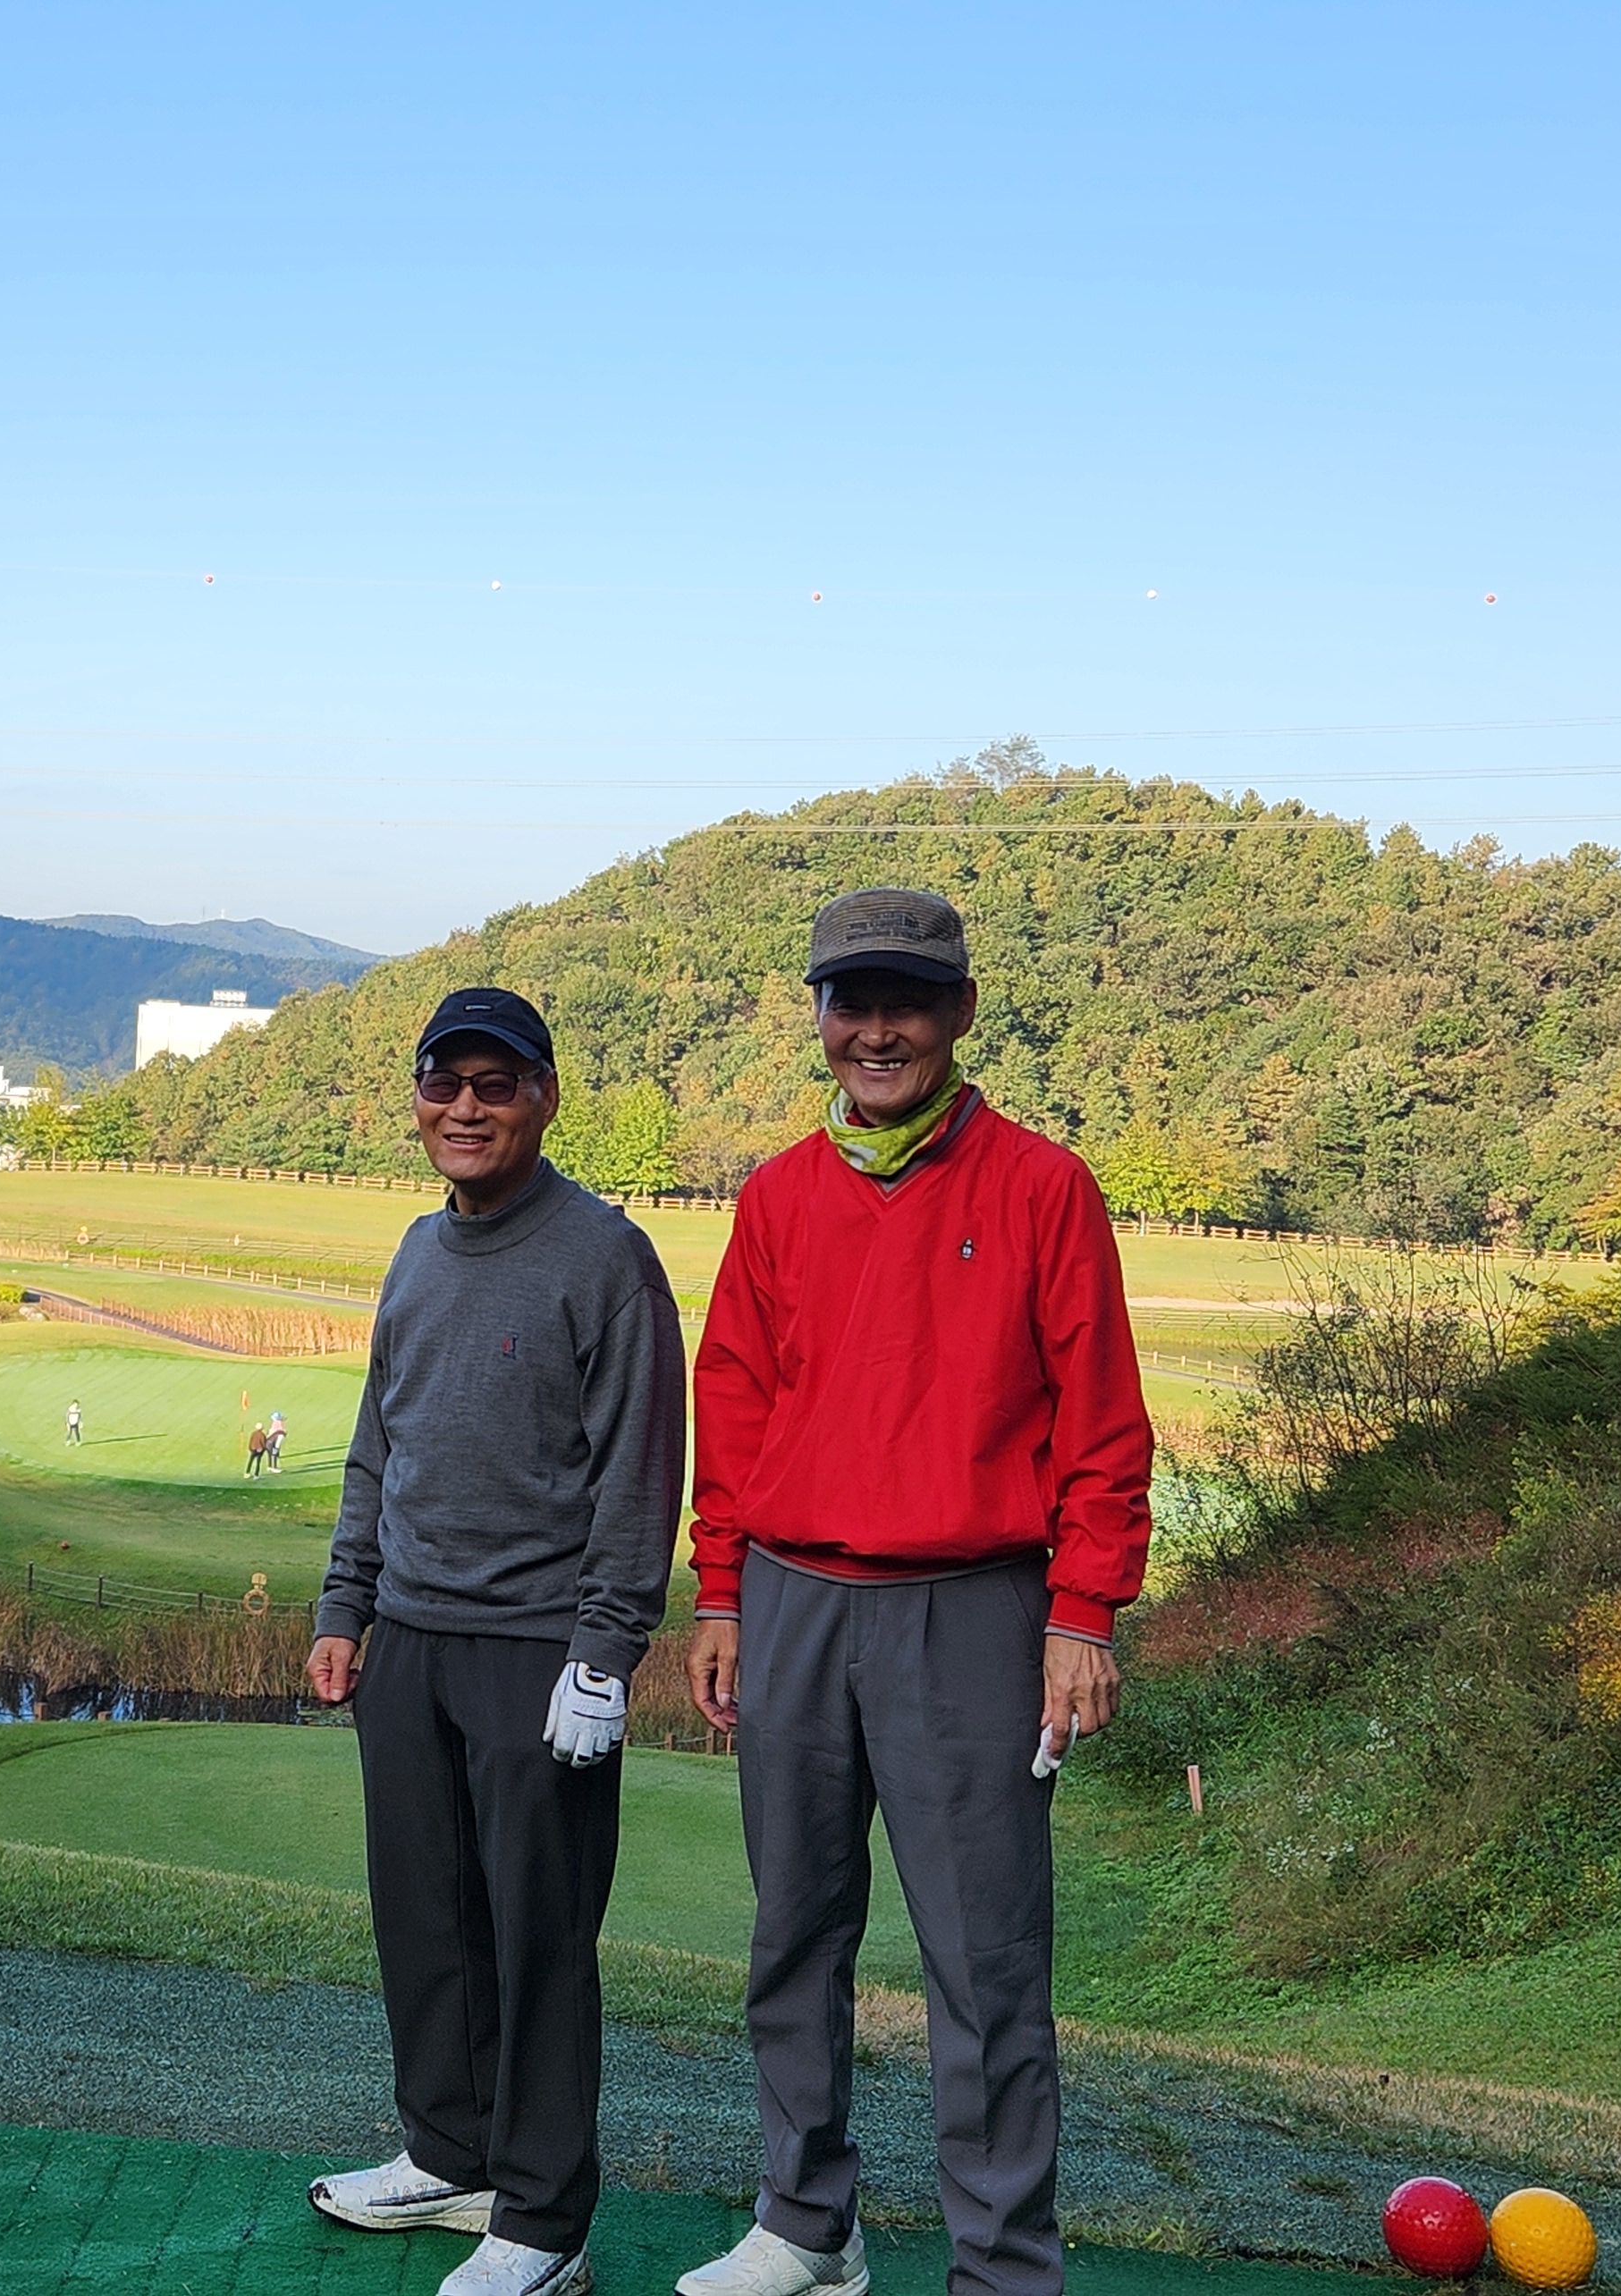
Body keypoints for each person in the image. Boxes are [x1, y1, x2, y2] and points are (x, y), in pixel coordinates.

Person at [677, 889, 1154, 2296]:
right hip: (792, 1600)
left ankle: (1000, 2268)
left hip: (976, 1610)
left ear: (960, 1013)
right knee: (792, 1936)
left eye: (906, 1002)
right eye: (851, 1002)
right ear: (821, 1018)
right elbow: (736, 1403)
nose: (875, 1031)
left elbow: (1103, 1422)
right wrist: (721, 1592)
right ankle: (805, 2225)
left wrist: (1083, 1614)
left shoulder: (1041, 1186)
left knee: (984, 1963)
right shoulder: (778, 1194)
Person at [306, 987, 686, 2296]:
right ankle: (448, 2154)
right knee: (426, 1923)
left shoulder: (606, 1256)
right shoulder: (418, 1251)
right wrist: (345, 1606)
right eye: (443, 1083)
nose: (464, 1108)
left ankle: (543, 2221)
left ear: (544, 1098)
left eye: (495, 1084)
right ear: (418, 1099)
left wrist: (605, 1653)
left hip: (537, 1652)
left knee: (538, 1942)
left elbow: (640, 1470)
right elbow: (379, 1444)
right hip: (410, 1640)